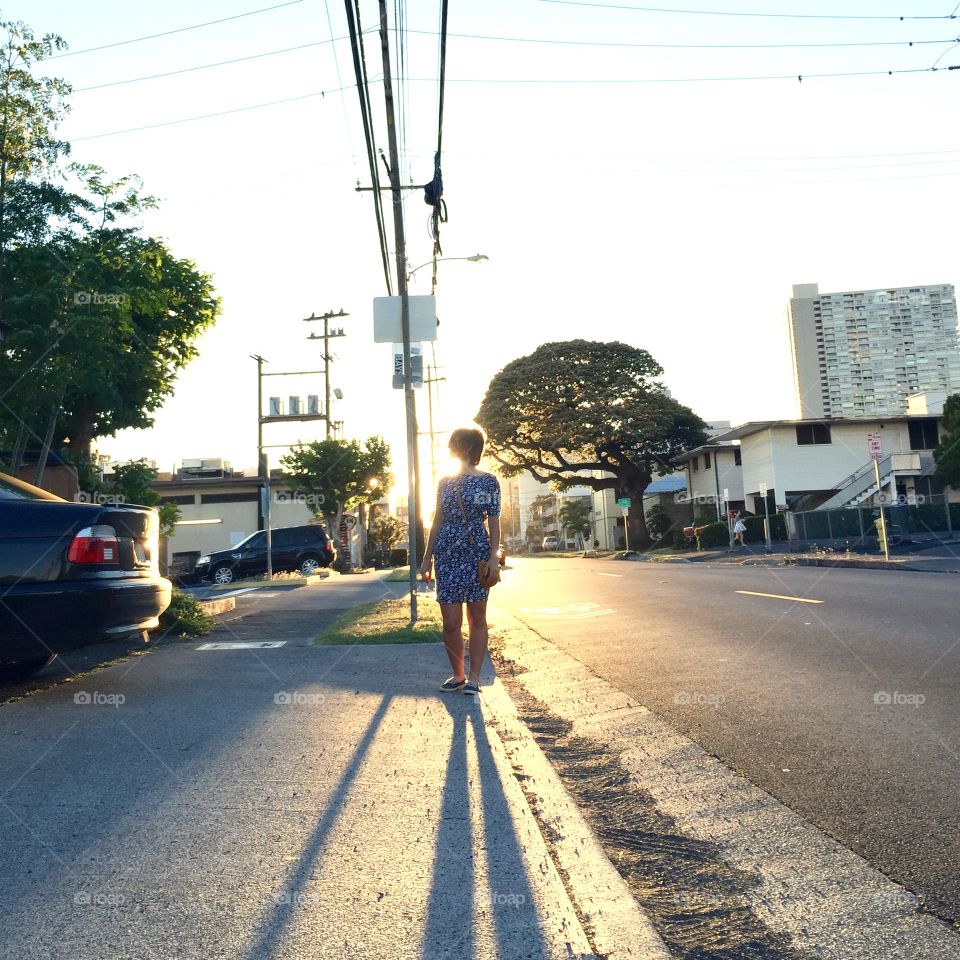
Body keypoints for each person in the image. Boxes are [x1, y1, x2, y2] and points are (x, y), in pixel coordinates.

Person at [419, 427, 501, 696]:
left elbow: (493, 521)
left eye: (453, 443)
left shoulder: (489, 481)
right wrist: (427, 557)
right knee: (450, 621)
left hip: (477, 552)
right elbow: (437, 519)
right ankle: (458, 675)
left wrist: (493, 557)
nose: (449, 447)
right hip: (447, 555)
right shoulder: (445, 481)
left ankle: (475, 678)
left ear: (466, 447)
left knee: (477, 616)